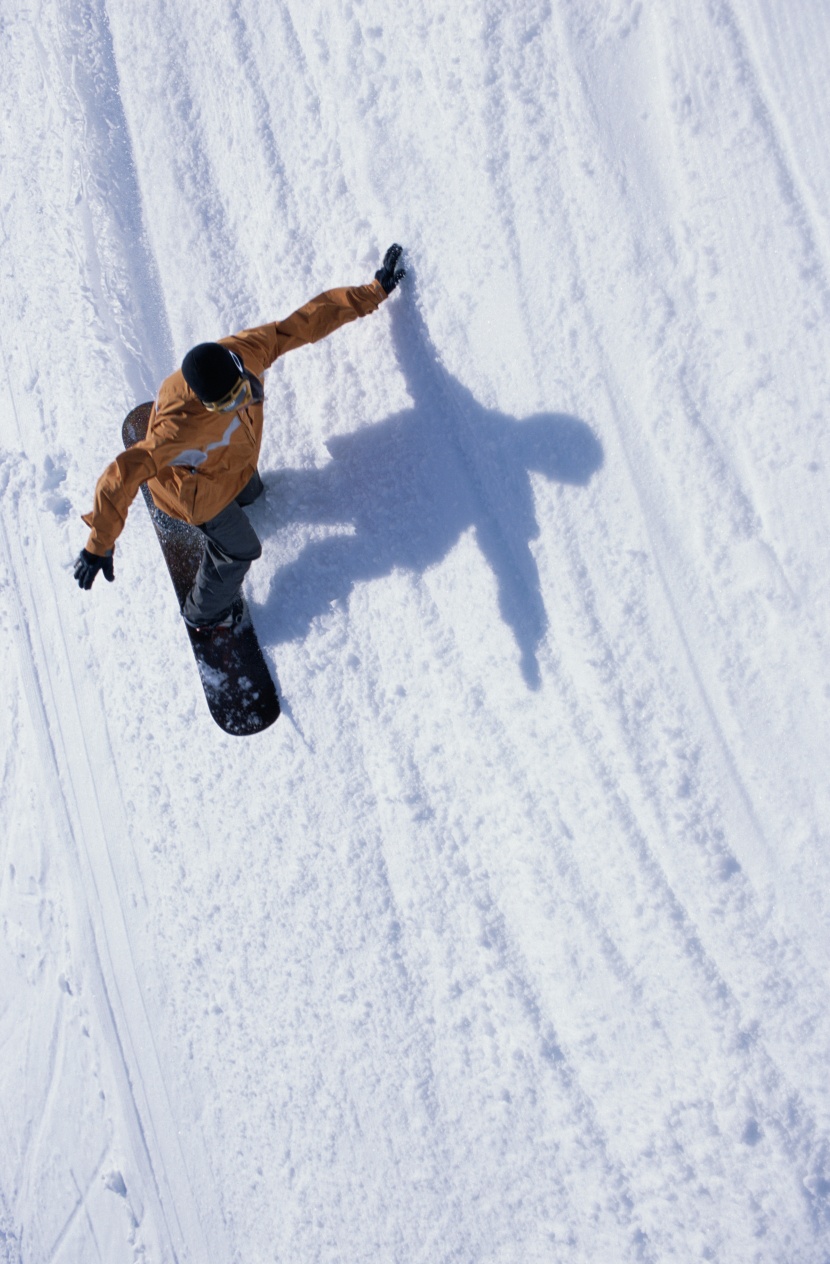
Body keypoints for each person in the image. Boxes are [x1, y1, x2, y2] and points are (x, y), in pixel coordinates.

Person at [74, 244, 406, 631]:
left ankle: (240, 494)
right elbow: (122, 473)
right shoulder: (178, 428)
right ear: (202, 401)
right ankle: (205, 612)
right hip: (195, 495)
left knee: (250, 490)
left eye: (239, 389)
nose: (240, 400)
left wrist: (372, 293)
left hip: (234, 458)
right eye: (226, 402)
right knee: (243, 547)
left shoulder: (247, 350)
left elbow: (301, 324)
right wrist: (100, 542)